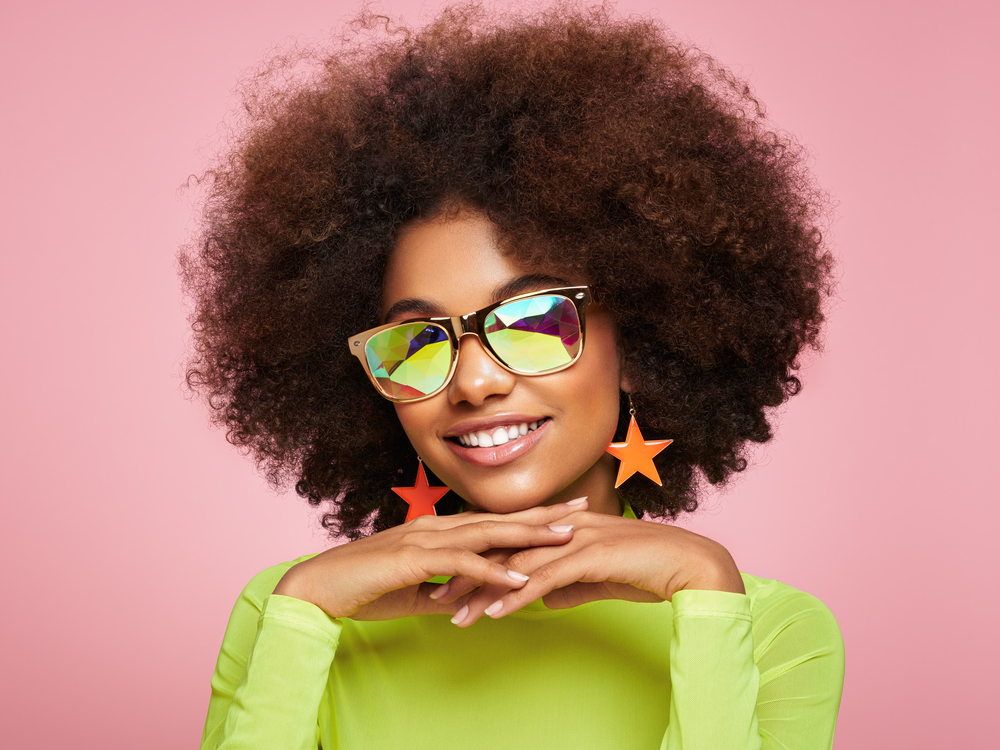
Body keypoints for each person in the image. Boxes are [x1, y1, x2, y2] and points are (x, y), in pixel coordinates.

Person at [184, 5, 844, 748]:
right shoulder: (298, 612)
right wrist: (304, 608)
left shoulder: (768, 629)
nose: (473, 385)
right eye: (417, 343)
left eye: (530, 323)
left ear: (641, 343)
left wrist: (706, 594)